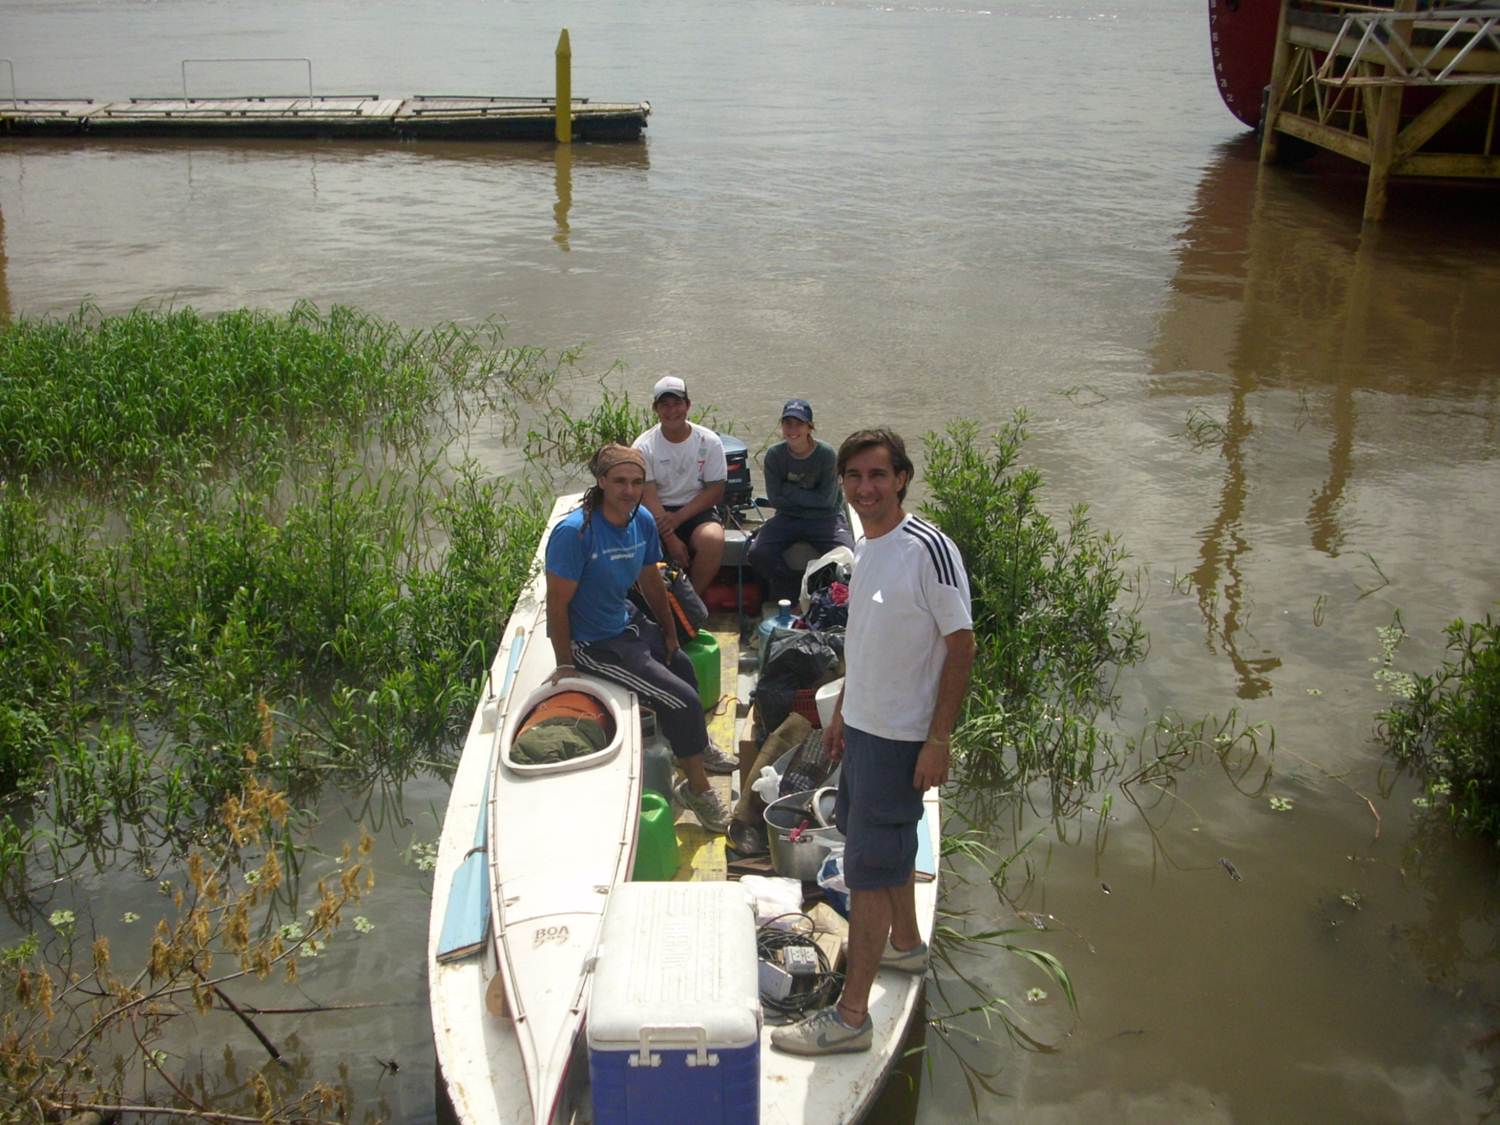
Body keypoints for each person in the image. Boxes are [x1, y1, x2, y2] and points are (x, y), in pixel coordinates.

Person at [770, 428, 975, 1056]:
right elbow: (867, 639)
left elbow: (961, 646)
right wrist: (841, 713)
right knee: (880, 851)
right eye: (854, 477)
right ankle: (905, 945)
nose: (865, 488)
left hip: (899, 739)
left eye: (878, 475)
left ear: (902, 478)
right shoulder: (866, 544)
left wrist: (938, 739)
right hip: (862, 727)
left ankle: (851, 1017)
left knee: (867, 872)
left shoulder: (928, 549)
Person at [544, 443, 737, 833]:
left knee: (683, 666)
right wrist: (565, 664)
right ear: (601, 482)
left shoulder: (642, 520)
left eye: (636, 482)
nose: (629, 490)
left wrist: (669, 632)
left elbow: (651, 580)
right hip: (594, 644)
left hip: (626, 622)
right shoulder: (574, 533)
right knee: (681, 700)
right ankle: (696, 789)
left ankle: (696, 748)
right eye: (619, 481)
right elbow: (556, 606)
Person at [747, 399, 854, 602]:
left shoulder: (827, 455)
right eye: (788, 423)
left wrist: (789, 490)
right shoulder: (774, 456)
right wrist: (807, 498)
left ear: (809, 427)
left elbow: (826, 501)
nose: (793, 430)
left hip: (825, 518)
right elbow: (776, 499)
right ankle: (793, 591)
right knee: (758, 552)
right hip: (787, 517)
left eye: (799, 424)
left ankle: (828, 594)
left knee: (848, 555)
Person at [632, 376, 727, 596]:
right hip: (656, 512)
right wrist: (670, 537)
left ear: (688, 405)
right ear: (655, 409)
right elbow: (647, 495)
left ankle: (692, 602)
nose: (672, 411)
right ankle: (656, 601)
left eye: (677, 403)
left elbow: (715, 490)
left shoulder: (709, 441)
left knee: (713, 539)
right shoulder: (643, 446)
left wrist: (679, 518)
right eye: (664, 405)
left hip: (695, 509)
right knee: (638, 543)